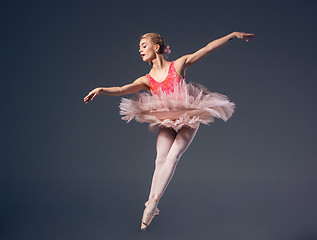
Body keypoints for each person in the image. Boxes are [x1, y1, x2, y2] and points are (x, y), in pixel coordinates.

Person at [83, 31, 255, 231]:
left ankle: (153, 203)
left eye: (143, 45)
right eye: (139, 47)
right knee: (160, 160)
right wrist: (101, 89)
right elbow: (123, 88)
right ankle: (151, 203)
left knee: (173, 156)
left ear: (156, 47)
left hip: (188, 116)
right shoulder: (146, 80)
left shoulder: (178, 65)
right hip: (165, 119)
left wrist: (232, 36)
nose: (140, 50)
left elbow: (207, 48)